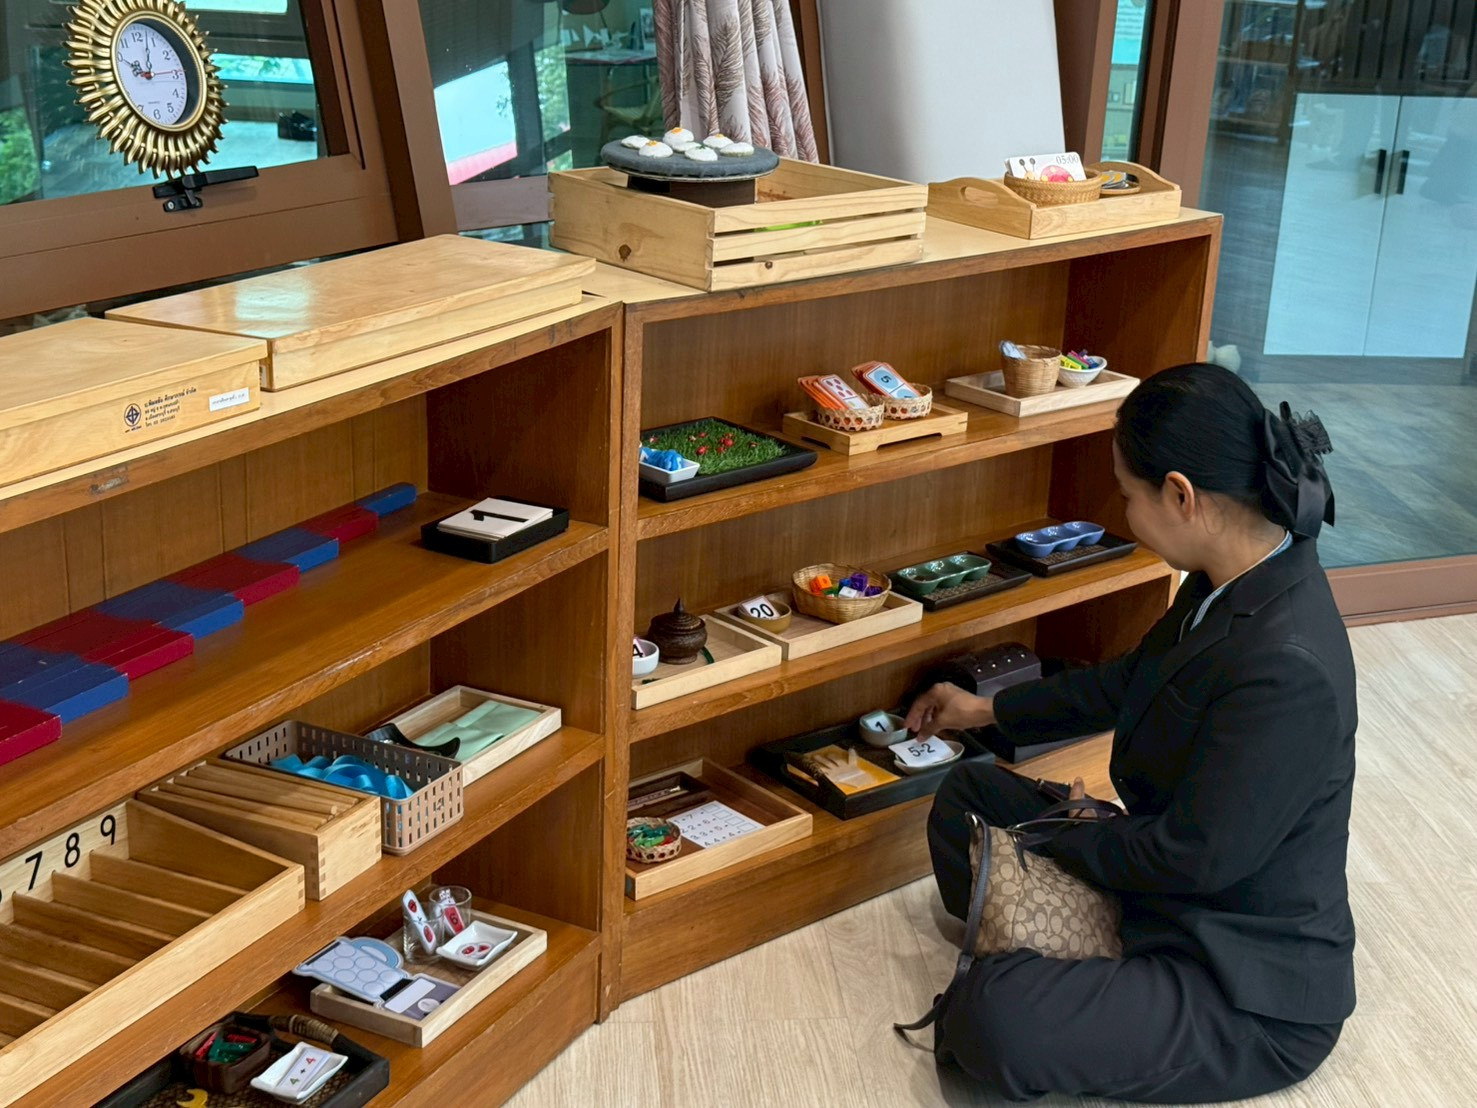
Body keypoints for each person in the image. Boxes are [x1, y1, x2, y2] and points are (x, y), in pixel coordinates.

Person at [905, 363, 1356, 1103]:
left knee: (994, 1017)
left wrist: (1066, 840)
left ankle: (1065, 971)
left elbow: (1192, 858)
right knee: (969, 797)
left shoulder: (1287, 665)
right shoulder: (1228, 579)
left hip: (1236, 979)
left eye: (1126, 495)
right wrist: (982, 710)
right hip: (1163, 879)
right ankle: (1081, 959)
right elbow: (1126, 683)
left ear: (1179, 495)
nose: (1125, 512)